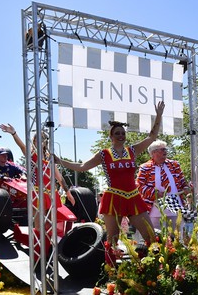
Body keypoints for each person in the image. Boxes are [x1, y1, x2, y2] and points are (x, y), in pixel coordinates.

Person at [55, 101, 165, 252]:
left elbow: (152, 137)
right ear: (111, 136)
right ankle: (112, 272)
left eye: (123, 133)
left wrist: (158, 115)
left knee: (151, 237)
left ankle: (151, 269)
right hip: (114, 198)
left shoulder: (132, 150)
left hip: (133, 197)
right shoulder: (104, 154)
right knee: (112, 241)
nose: (121, 135)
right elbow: (82, 167)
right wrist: (59, 161)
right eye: (117, 133)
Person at [0, 124, 75, 210]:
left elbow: (59, 177)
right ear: (33, 141)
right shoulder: (32, 155)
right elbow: (22, 146)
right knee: (38, 221)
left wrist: (68, 193)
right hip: (37, 192)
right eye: (36, 139)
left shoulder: (50, 157)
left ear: (45, 142)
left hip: (51, 193)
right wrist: (14, 133)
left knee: (51, 222)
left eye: (42, 139)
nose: (39, 141)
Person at [136, 140, 192, 232]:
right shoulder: (145, 167)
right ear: (153, 153)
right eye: (162, 150)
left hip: (175, 207)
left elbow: (183, 182)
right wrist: (154, 193)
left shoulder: (174, 165)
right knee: (155, 237)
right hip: (154, 210)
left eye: (166, 149)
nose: (165, 151)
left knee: (177, 237)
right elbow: (139, 186)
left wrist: (186, 188)